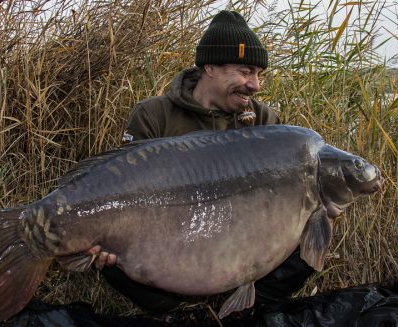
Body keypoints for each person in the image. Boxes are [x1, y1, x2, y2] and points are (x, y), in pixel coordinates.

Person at [88, 10, 315, 316]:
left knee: (312, 233)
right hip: (172, 238)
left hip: (241, 237)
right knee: (108, 253)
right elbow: (125, 187)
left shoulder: (264, 122)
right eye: (245, 71)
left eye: (259, 74)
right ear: (209, 67)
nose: (255, 85)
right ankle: (178, 312)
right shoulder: (154, 116)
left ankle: (241, 311)